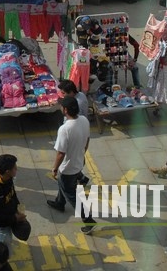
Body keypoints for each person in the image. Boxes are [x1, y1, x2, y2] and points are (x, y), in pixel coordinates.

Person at [46, 96, 96, 233]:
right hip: (79, 161)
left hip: (68, 168)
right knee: (64, 185)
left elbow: (60, 153)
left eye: (61, 106)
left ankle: (88, 220)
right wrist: (82, 152)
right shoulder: (84, 120)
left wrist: (55, 168)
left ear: (66, 110)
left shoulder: (64, 129)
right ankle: (60, 202)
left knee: (72, 195)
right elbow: (87, 139)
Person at [0, 153, 26, 245]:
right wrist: (15, 218)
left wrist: (18, 208)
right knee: (4, 247)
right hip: (0, 225)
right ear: (7, 171)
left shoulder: (8, 178)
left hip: (9, 216)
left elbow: (12, 193)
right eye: (14, 168)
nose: (16, 169)